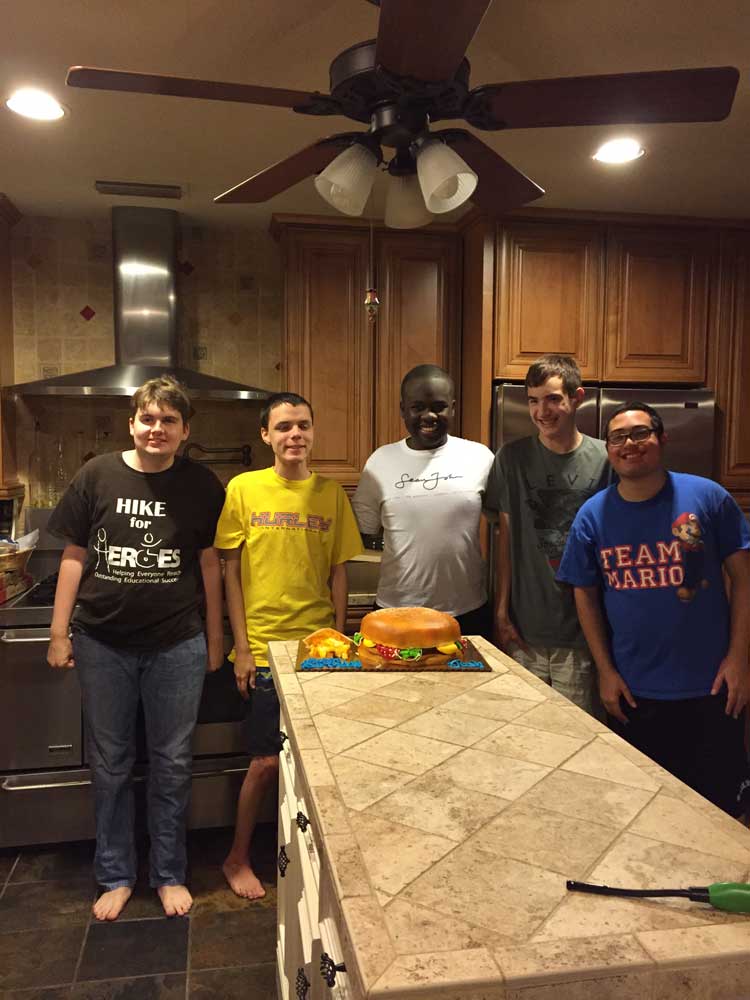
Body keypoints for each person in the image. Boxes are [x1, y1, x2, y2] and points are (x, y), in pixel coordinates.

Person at [47, 375, 225, 920]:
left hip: (178, 643)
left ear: (184, 431)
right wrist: (58, 632)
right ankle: (117, 875)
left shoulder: (202, 484)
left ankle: (169, 873)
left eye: (169, 420)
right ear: (132, 424)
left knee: (172, 762)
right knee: (111, 763)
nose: (157, 428)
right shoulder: (97, 474)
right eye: (148, 418)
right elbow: (74, 556)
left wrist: (216, 636)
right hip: (102, 642)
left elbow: (210, 564)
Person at [558, 401, 750, 817]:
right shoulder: (592, 516)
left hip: (713, 689)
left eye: (640, 433)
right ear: (608, 449)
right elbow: (583, 593)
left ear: (662, 438)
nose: (629, 444)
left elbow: (744, 578)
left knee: (721, 815)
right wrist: (606, 672)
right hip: (633, 693)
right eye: (617, 437)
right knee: (644, 815)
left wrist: (739, 659)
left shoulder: (708, 497)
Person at [215, 391, 362, 899]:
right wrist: (243, 648)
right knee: (265, 761)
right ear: (266, 435)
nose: (294, 434)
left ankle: (308, 855)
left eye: (302, 425)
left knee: (318, 762)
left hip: (318, 649)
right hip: (262, 649)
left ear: (314, 432)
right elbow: (230, 573)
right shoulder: (244, 488)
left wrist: (339, 638)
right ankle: (237, 858)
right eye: (283, 427)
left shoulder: (331, 494)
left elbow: (338, 573)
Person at [484, 354, 609, 714]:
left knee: (579, 736)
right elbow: (505, 538)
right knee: (525, 732)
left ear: (577, 397)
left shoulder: (605, 459)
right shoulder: (511, 458)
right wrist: (501, 612)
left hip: (584, 635)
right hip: (524, 632)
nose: (542, 411)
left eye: (553, 399)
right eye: (533, 400)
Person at [351, 364, 494, 636]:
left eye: (439, 407)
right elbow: (363, 531)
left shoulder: (480, 458)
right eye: (417, 407)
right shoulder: (379, 462)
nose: (429, 416)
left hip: (468, 611)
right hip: (395, 612)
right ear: (403, 409)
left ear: (453, 408)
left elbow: (504, 525)